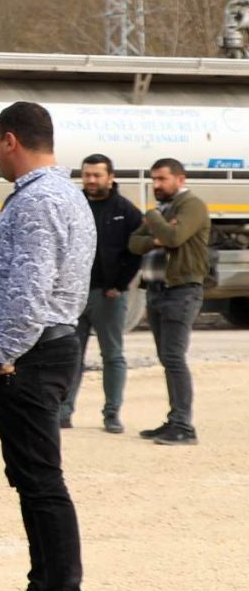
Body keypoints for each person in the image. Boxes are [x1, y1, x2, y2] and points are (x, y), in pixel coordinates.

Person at [0, 101, 95, 591]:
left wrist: (5, 354)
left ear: (11, 140)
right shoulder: (62, 194)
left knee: (42, 482)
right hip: (40, 349)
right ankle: (41, 590)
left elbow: (31, 286)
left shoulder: (40, 200)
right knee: (28, 477)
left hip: (32, 354)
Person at [129, 156, 208, 445]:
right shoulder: (164, 210)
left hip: (181, 291)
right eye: (154, 179)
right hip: (157, 290)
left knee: (174, 358)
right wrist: (157, 235)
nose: (156, 185)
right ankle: (174, 420)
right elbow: (134, 243)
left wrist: (152, 219)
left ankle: (184, 427)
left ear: (180, 179)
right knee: (166, 358)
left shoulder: (191, 205)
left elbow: (174, 237)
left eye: (162, 179)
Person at [70, 154, 143, 433]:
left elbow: (136, 252)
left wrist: (120, 284)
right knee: (71, 356)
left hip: (110, 296)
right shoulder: (73, 206)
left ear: (110, 177)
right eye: (86, 174)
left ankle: (112, 414)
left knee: (112, 356)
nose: (90, 180)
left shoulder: (126, 210)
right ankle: (65, 410)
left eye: (97, 175)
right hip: (75, 296)